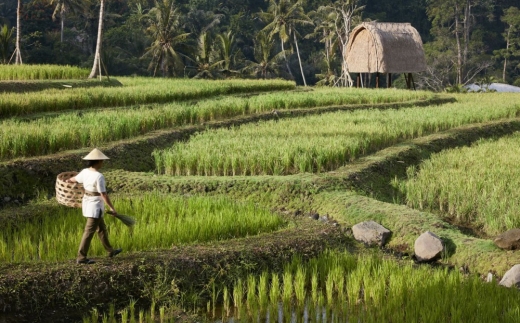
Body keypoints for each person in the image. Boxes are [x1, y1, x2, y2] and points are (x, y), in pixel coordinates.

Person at [67, 148, 122, 264]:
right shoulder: (99, 176)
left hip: (88, 203)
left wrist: (68, 181)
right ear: (97, 161)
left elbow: (73, 179)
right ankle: (81, 258)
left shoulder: (85, 172)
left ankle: (110, 251)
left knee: (101, 229)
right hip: (95, 207)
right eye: (102, 161)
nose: (102, 163)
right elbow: (103, 194)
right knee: (89, 232)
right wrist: (112, 208)